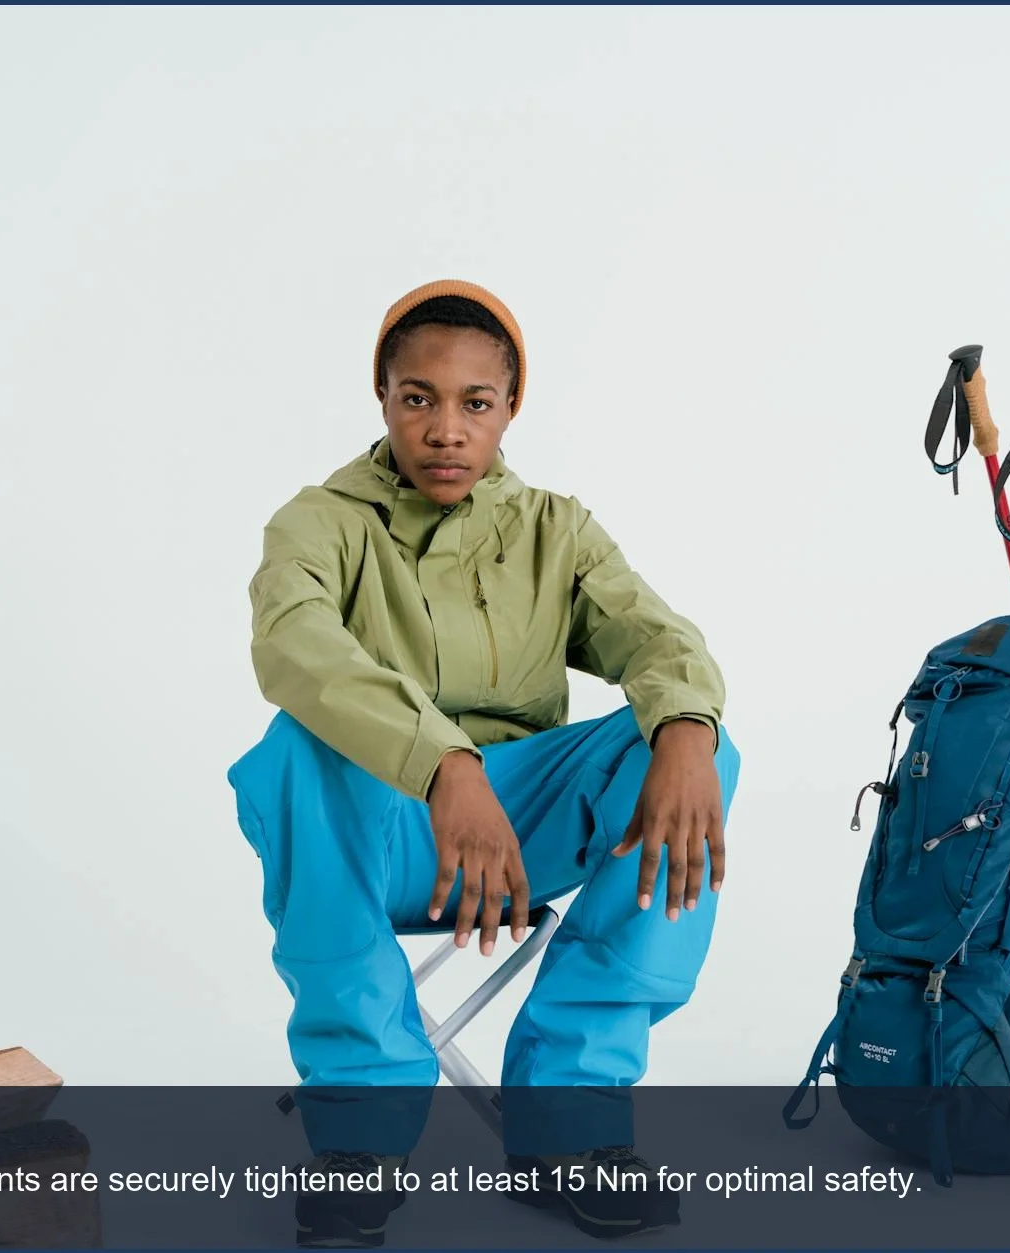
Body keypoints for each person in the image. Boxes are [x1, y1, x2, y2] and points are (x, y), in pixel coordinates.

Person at [228, 279, 740, 1247]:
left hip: (521, 831)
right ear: (382, 398)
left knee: (687, 745)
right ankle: (360, 1139)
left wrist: (685, 728)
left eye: (475, 403)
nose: (445, 430)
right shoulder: (317, 522)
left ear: (510, 409)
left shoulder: (556, 528)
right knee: (298, 744)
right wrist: (444, 767)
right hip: (376, 830)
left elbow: (653, 636)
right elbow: (294, 645)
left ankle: (571, 1121)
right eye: (418, 398)